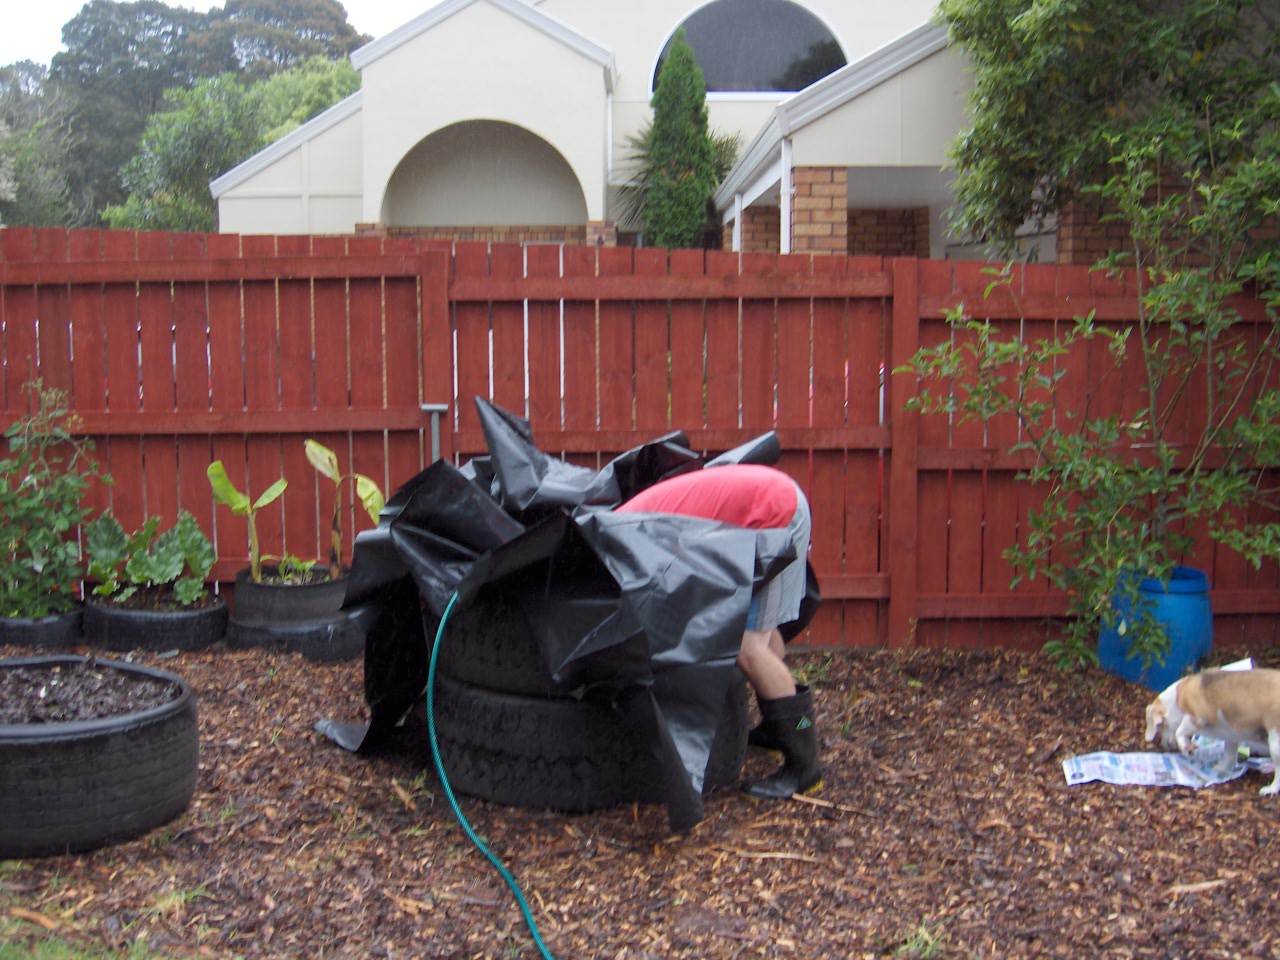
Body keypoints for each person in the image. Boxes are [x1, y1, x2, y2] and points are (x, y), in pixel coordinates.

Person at [615, 463, 822, 800]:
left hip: (774, 517)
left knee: (746, 647)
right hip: (784, 503)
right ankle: (784, 727)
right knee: (764, 638)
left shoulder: (627, 531)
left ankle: (804, 766)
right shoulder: (634, 517)